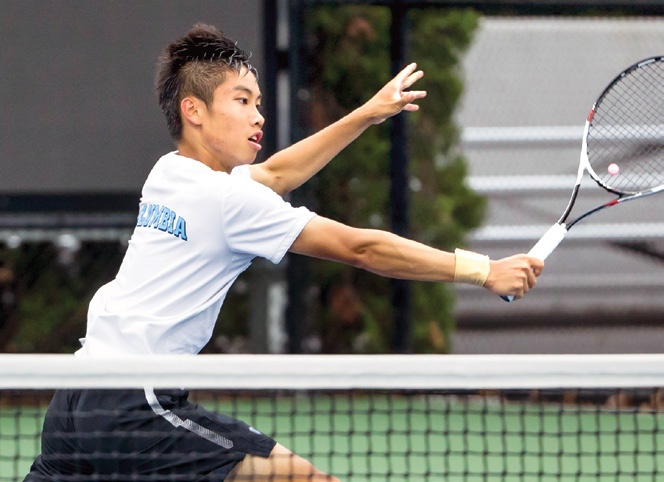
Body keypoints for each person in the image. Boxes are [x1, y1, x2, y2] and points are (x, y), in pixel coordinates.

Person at [25, 23, 543, 482]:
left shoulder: (169, 172)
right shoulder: (229, 200)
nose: (259, 115)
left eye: (258, 102)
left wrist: (364, 114)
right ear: (194, 111)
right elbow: (361, 247)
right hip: (137, 404)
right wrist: (484, 270)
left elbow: (275, 175)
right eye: (243, 100)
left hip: (75, 397)